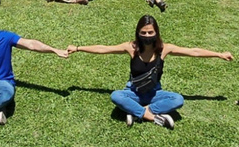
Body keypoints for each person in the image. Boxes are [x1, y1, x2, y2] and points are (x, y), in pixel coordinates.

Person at [67, 15, 233, 129]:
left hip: (154, 93)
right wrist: (79, 48)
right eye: (143, 32)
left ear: (156, 33)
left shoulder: (164, 49)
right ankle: (153, 116)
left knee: (178, 99)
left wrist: (219, 54)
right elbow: (104, 49)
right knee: (116, 96)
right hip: (132, 91)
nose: (147, 35)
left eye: (150, 32)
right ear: (138, 33)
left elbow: (193, 51)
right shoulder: (131, 48)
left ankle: (136, 112)